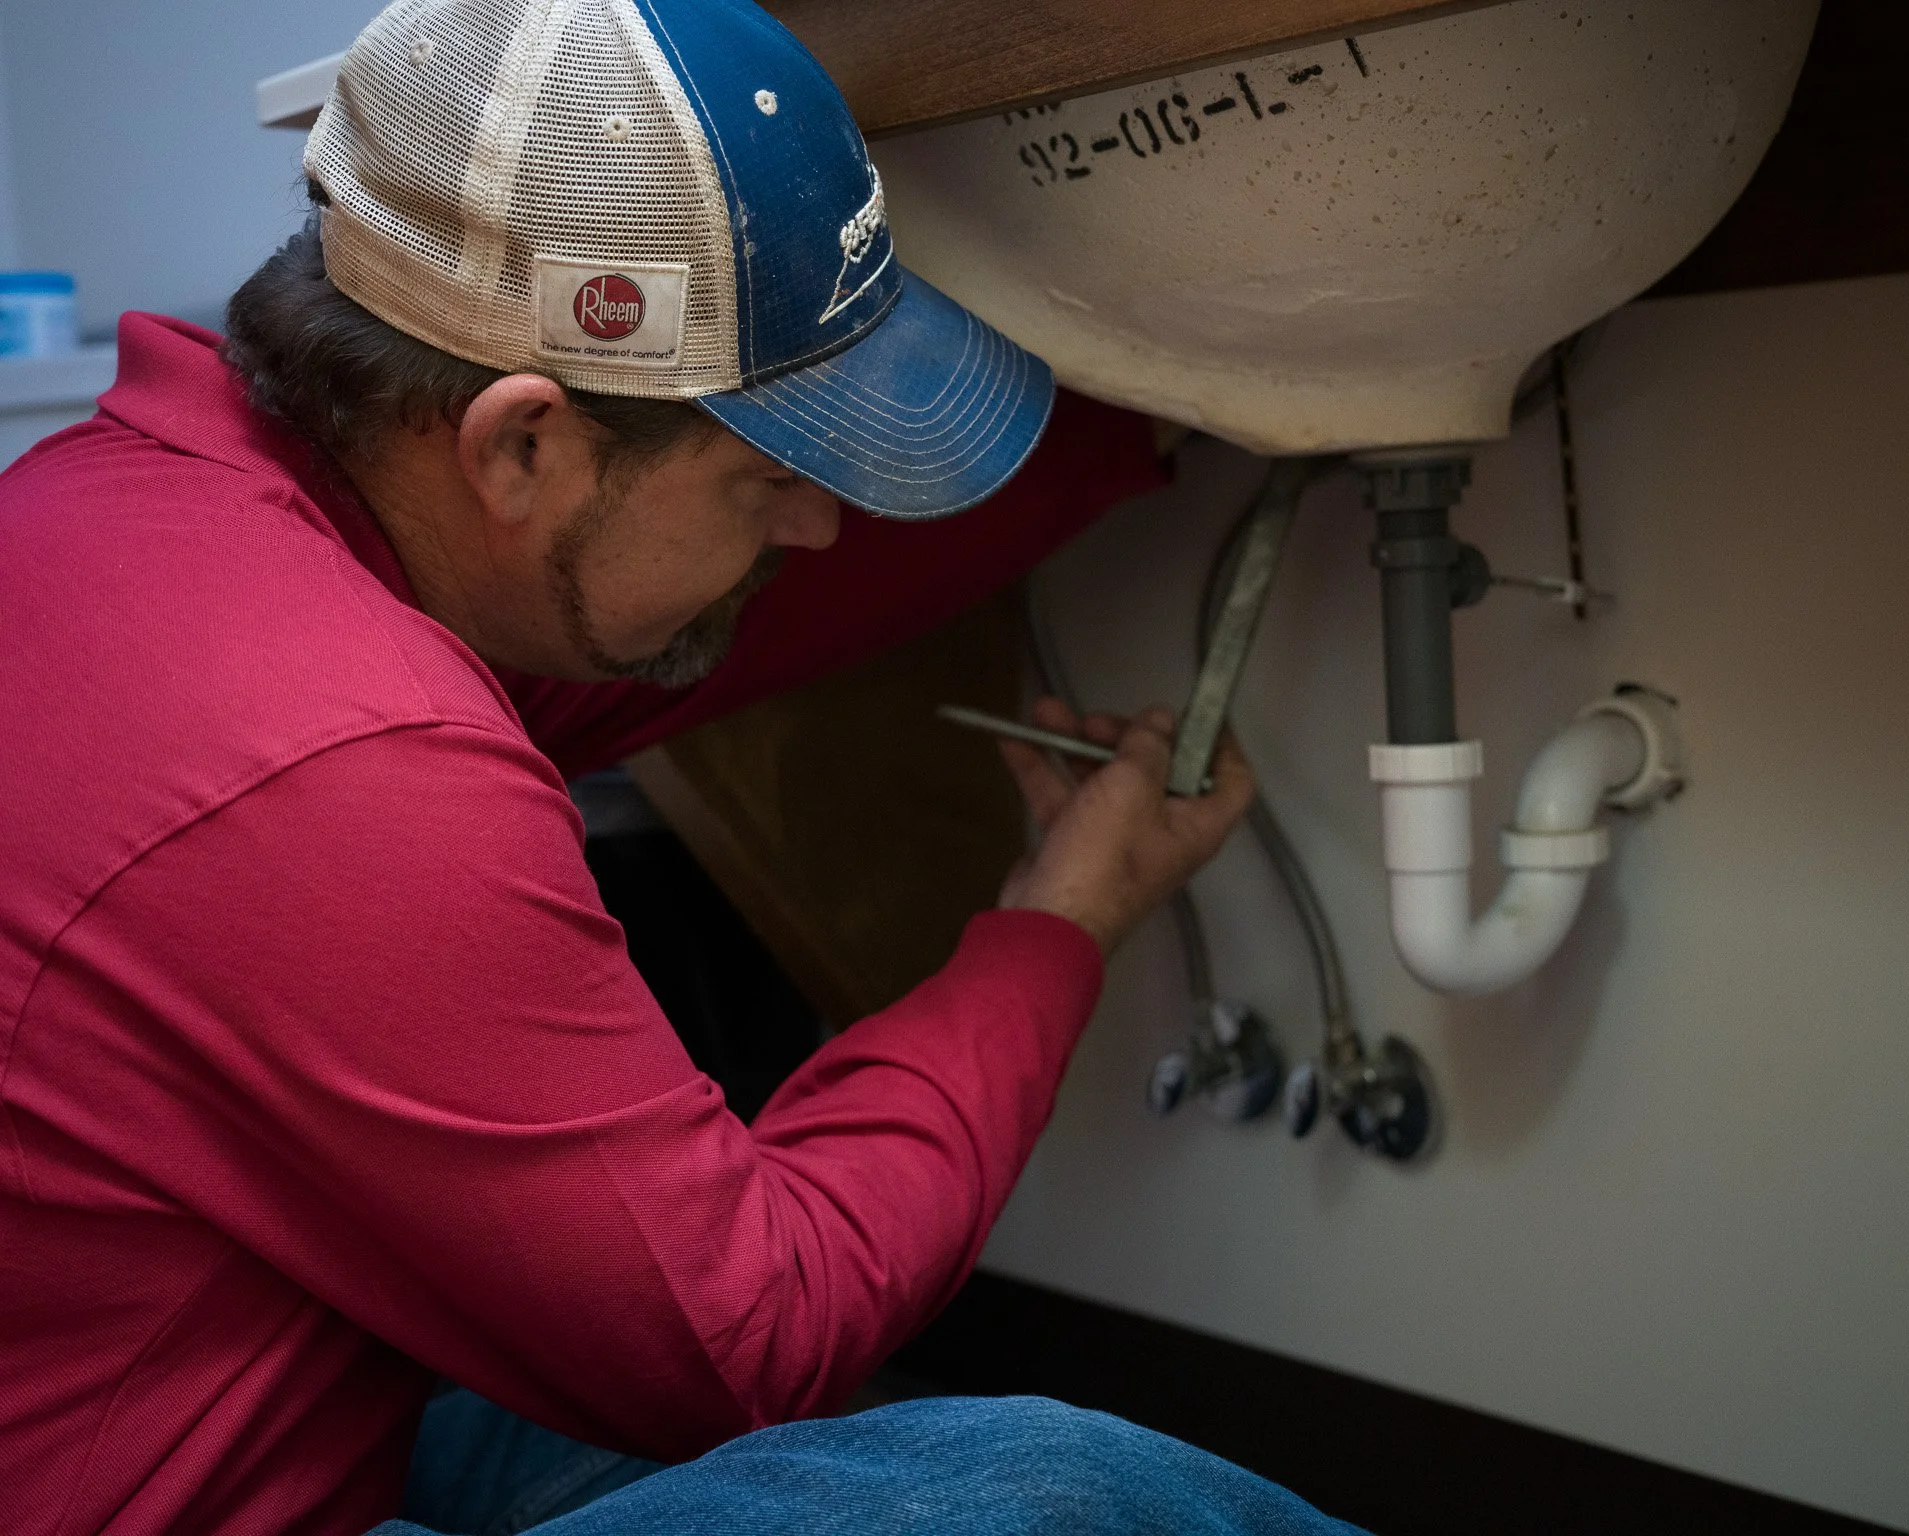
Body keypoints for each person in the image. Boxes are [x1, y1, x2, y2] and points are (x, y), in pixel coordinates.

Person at [0, 1, 1362, 1532]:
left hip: (250, 1412)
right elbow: (751, 1338)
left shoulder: (125, 520)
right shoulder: (341, 759)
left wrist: (1157, 428)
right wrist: (1059, 925)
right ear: (521, 449)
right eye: (771, 480)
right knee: (1056, 1492)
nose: (819, 529)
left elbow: (643, 630)